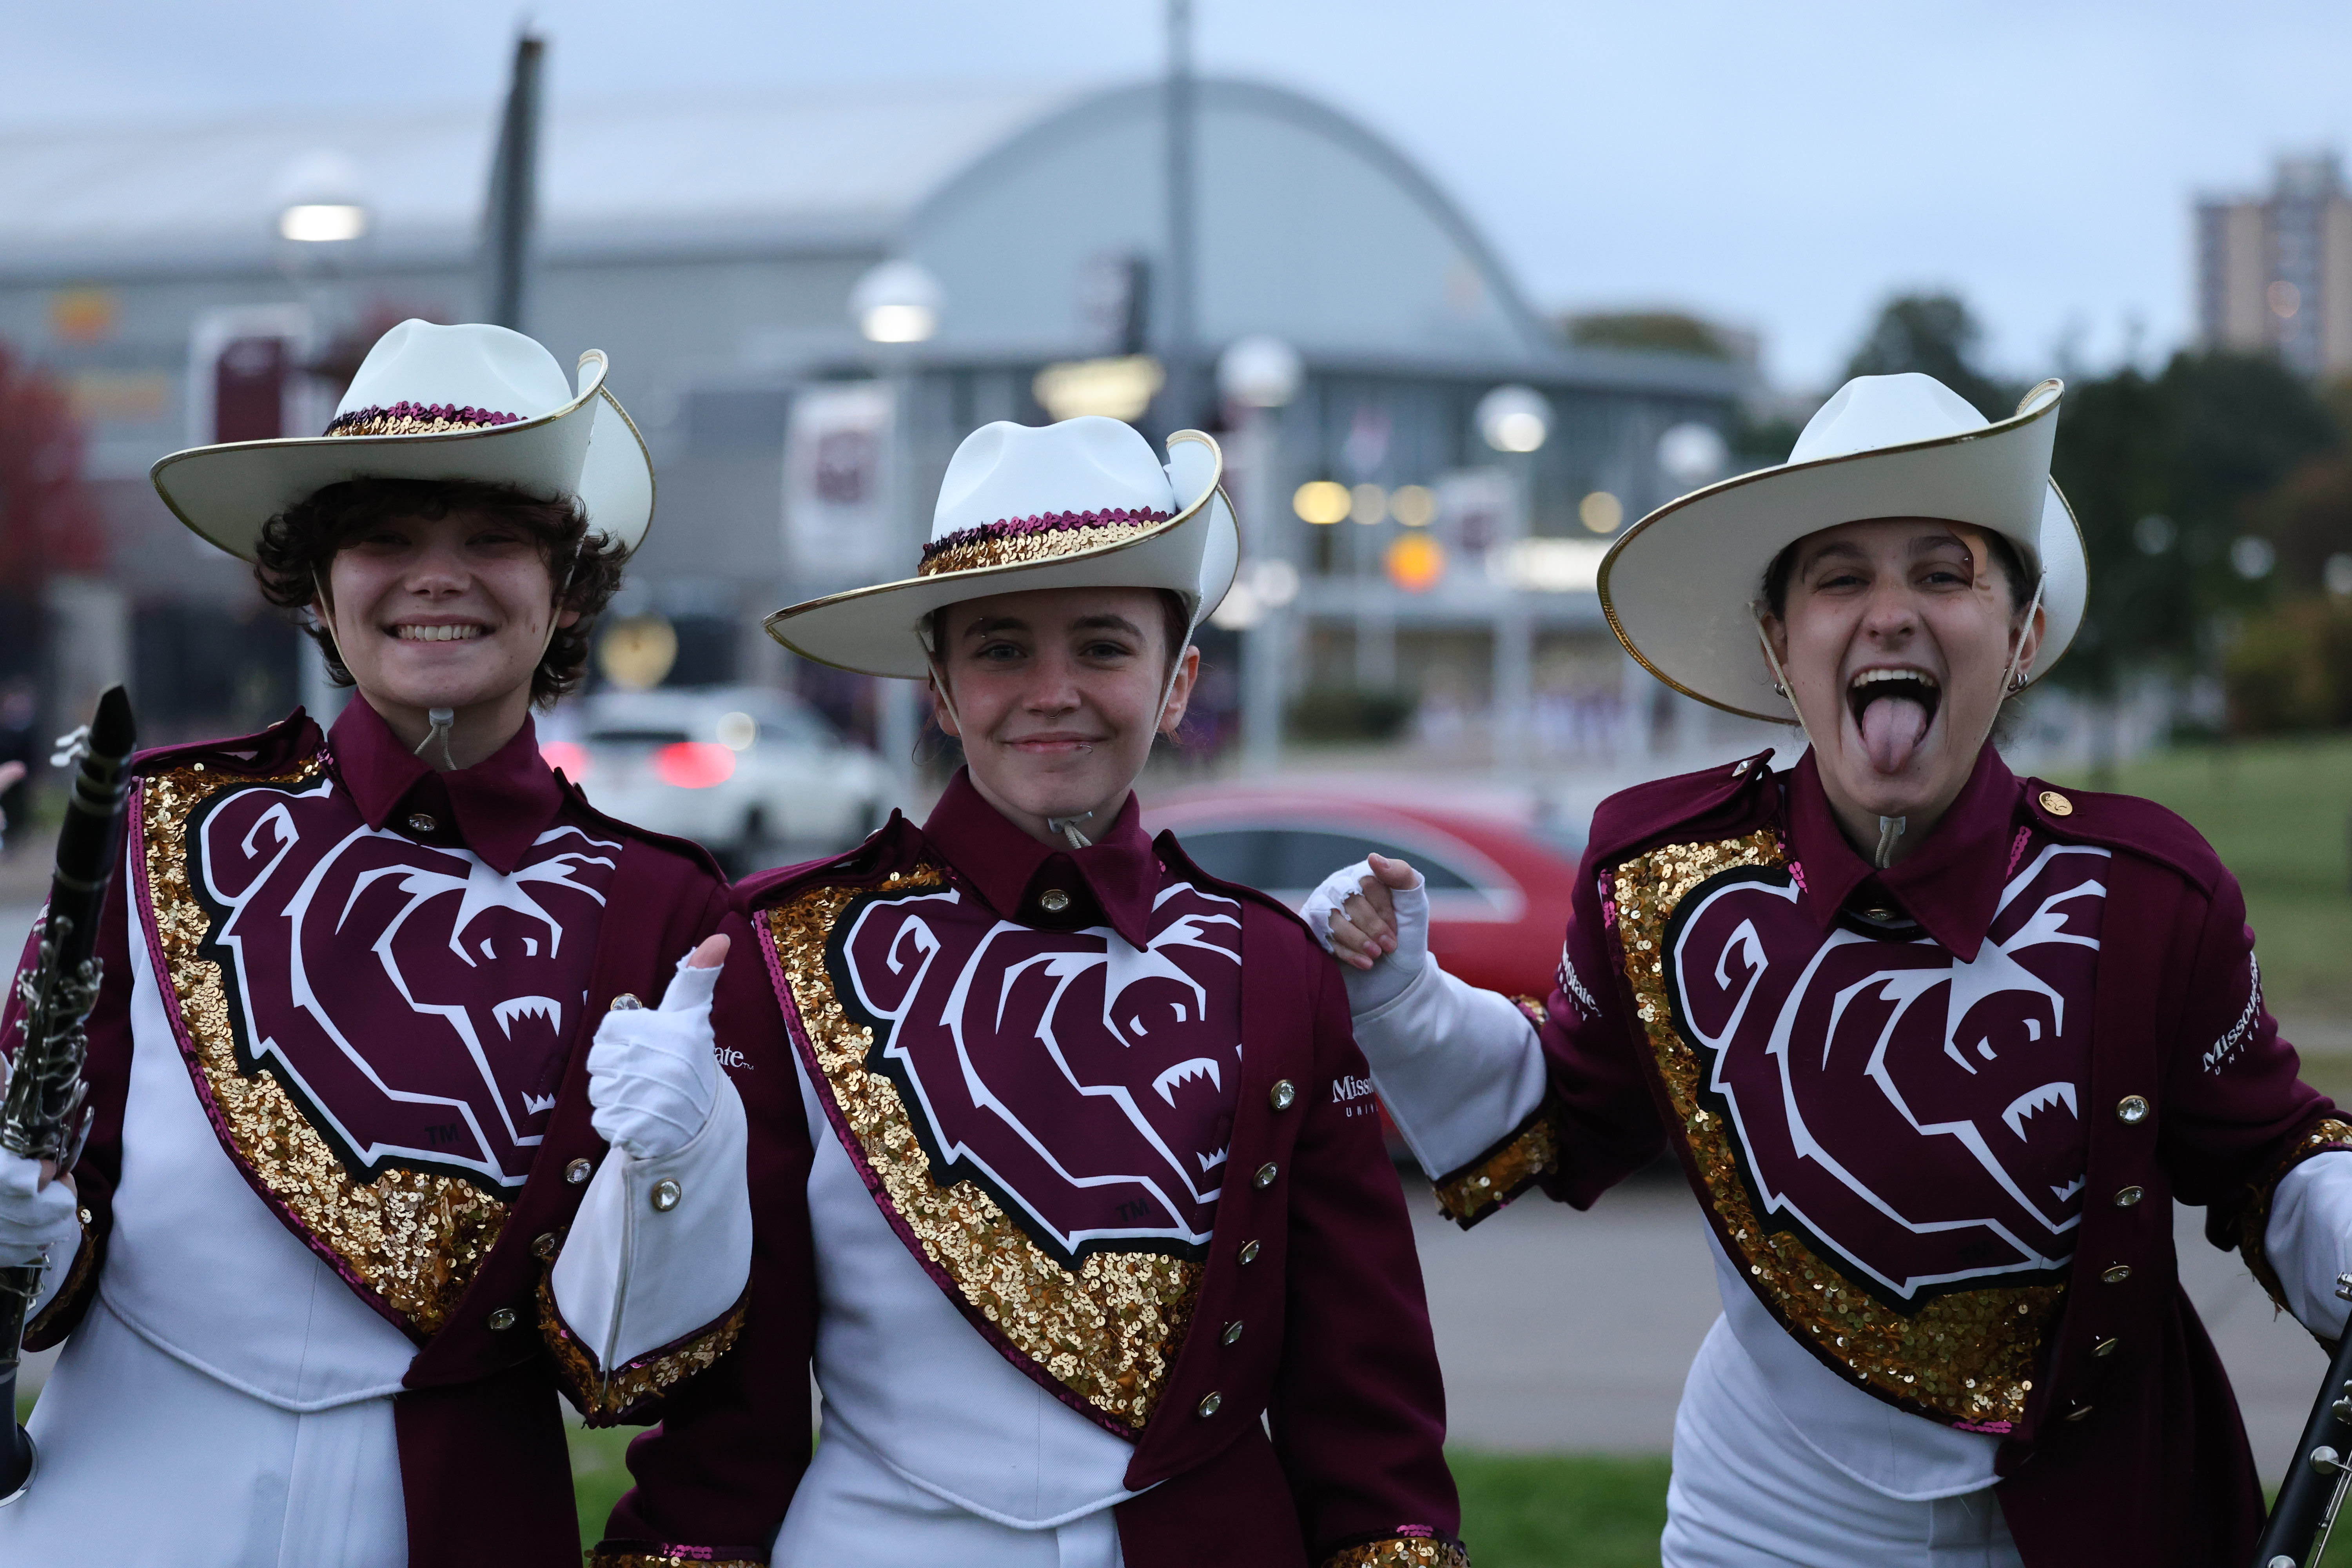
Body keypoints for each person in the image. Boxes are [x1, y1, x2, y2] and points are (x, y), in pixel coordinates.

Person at [1302, 373, 2352, 1567]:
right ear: (1778, 640)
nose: (1891, 615)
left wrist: (2339, 1225)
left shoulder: (2149, 891)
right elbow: (1563, 1116)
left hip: (2097, 1510)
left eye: (1944, 574)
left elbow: (2263, 1153)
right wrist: (1404, 997)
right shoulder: (1663, 883)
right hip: (1766, 1522)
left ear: (2022, 636)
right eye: (1841, 579)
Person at [589, 416, 1465, 1568]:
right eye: (1002, 650)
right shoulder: (780, 948)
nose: (1053, 693)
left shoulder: (1272, 963)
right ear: (943, 693)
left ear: (1178, 685)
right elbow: (729, 1407)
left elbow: (1364, 1390)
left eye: (1102, 647)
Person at [0, 321, 764, 1566]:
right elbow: (48, 1208)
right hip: (120, 1509)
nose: (437, 578)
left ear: (568, 587)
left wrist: (687, 1169)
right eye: (386, 538)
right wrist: (20, 1237)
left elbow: (647, 1362)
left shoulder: (663, 907)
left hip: (462, 1518)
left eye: (493, 539)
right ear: (318, 584)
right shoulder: (160, 827)